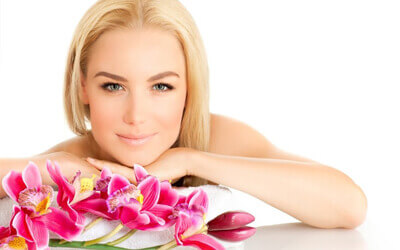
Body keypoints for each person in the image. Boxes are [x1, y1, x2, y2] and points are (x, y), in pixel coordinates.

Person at [0, 0, 367, 230]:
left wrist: (190, 159)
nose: (136, 115)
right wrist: (57, 164)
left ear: (190, 87)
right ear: (82, 87)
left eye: (161, 87)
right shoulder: (70, 163)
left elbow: (349, 207)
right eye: (113, 86)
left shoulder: (214, 138)